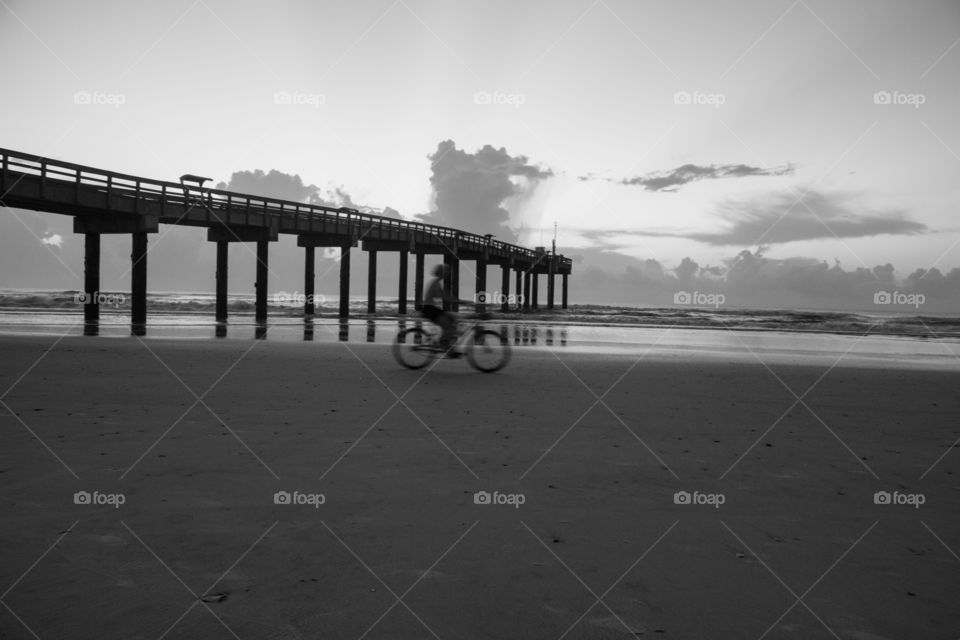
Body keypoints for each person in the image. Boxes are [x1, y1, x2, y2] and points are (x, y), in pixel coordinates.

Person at [421, 263, 471, 357]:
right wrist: (460, 301)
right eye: (445, 272)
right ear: (440, 273)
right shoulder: (435, 284)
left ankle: (448, 346)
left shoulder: (437, 282)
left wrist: (459, 301)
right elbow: (444, 296)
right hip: (430, 310)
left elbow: (445, 295)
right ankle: (444, 345)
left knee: (453, 321)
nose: (447, 274)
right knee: (448, 327)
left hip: (434, 309)